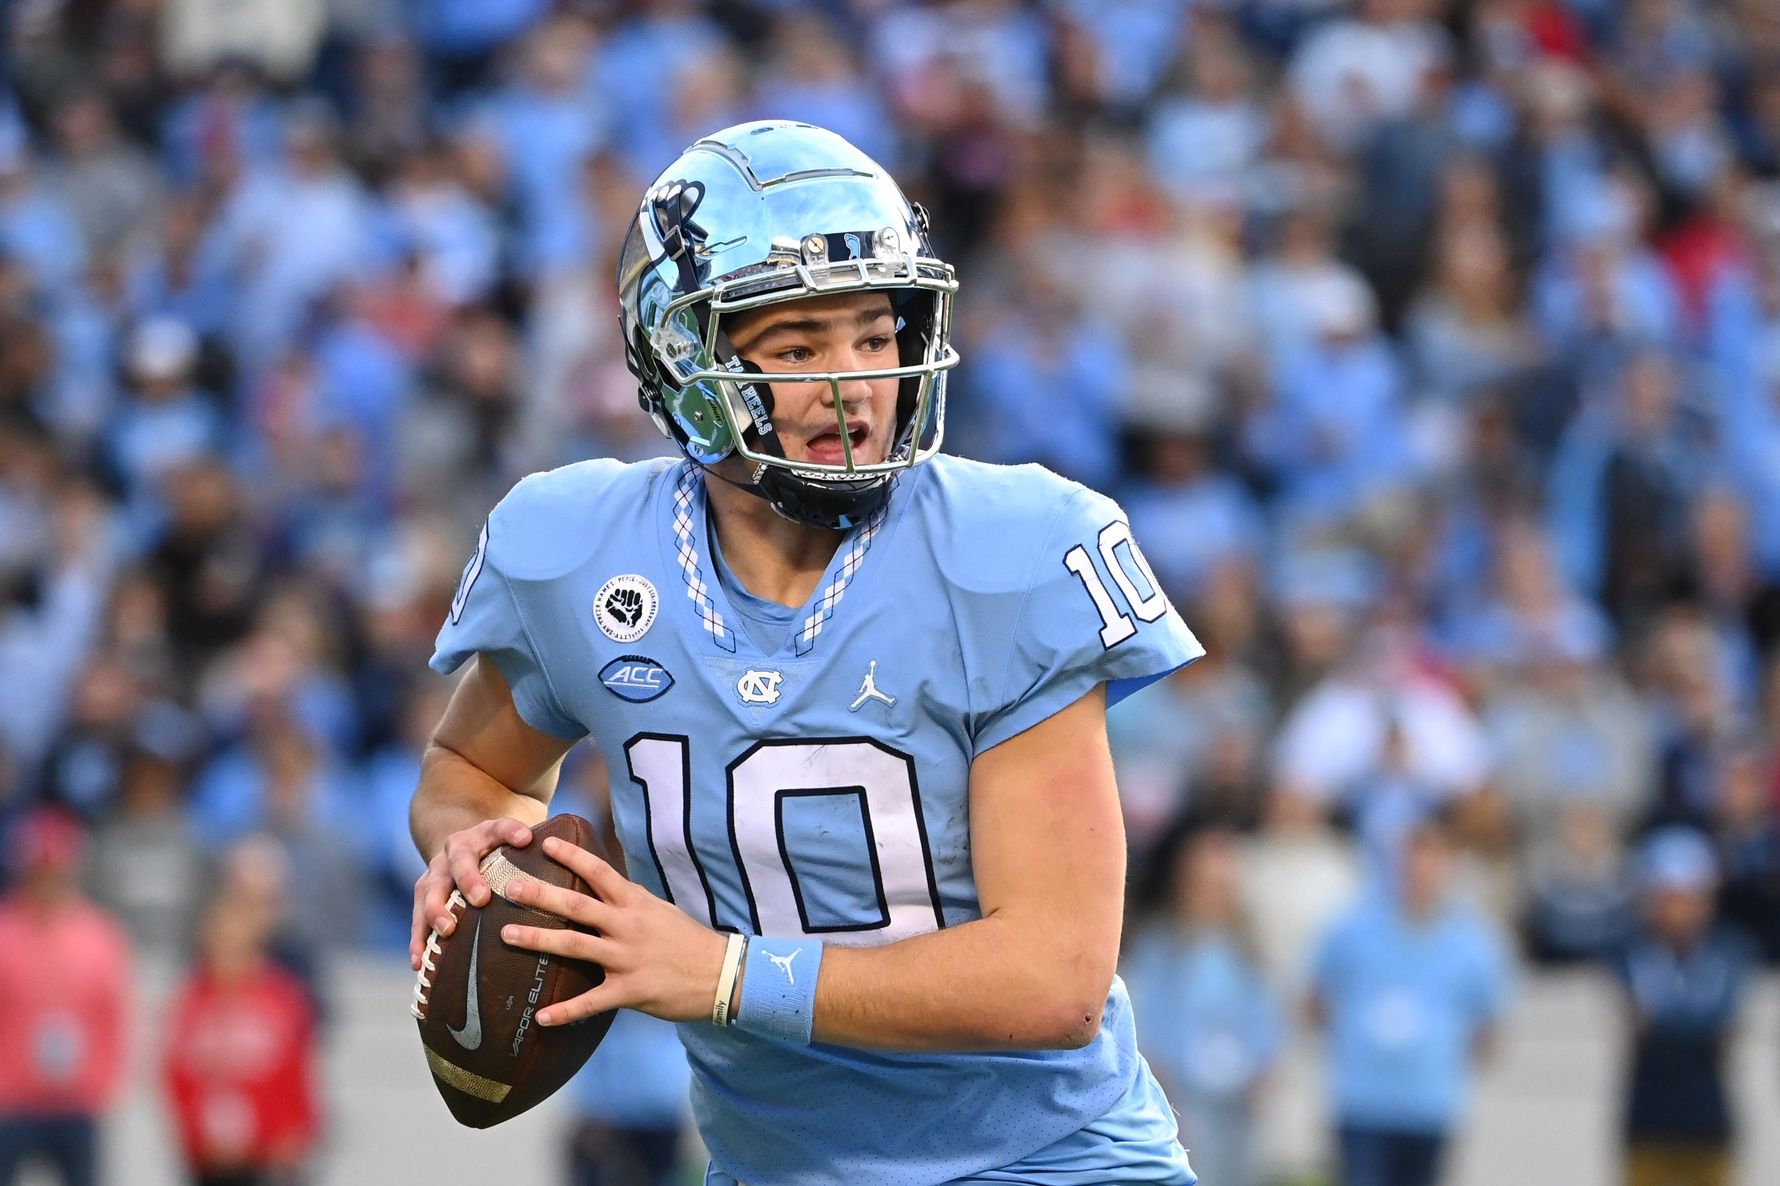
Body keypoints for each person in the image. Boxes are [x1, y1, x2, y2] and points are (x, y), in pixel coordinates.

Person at [407, 120, 1204, 1186]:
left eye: (876, 336)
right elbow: (472, 775)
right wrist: (474, 852)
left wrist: (727, 972)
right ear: (683, 358)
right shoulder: (579, 551)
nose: (855, 382)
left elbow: (1053, 976)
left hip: (1044, 1162)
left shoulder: (1010, 549)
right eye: (798, 348)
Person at [1306, 812, 1510, 1186]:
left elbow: (1489, 1023)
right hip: (1363, 1103)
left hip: (1430, 1106)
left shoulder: (1471, 940)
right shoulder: (1353, 928)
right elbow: (1314, 997)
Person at [1613, 827, 1755, 1186]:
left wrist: (1660, 1023)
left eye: (1688, 897)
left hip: (1708, 1122)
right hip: (1648, 1122)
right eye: (1668, 897)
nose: (1678, 910)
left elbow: (1715, 1020)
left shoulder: (1729, 950)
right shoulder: (1628, 951)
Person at [0, 808, 131, 1186]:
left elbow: (111, 1014)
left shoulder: (98, 935)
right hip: (12, 1099)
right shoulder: (5, 932)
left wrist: (103, 1082)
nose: (47, 880)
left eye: (55, 870)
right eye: (39, 870)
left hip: (77, 1098)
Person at [162, 875, 322, 1186]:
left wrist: (292, 1135)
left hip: (268, 1158)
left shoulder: (282, 998)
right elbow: (177, 1073)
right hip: (208, 1159)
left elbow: (297, 1075)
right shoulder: (191, 1001)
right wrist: (193, 1135)